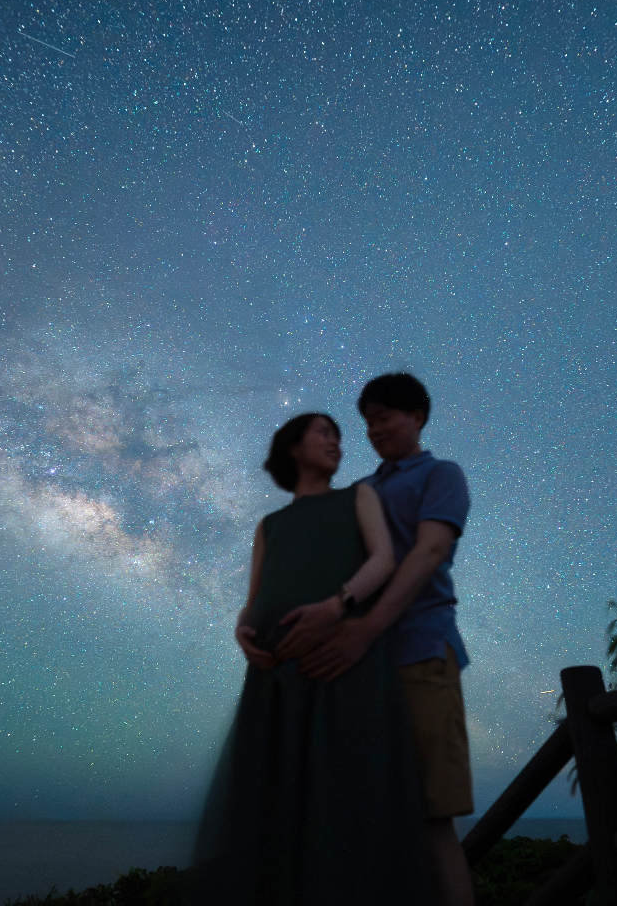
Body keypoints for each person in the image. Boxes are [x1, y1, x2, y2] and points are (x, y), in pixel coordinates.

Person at [193, 412, 433, 906]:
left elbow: (384, 559)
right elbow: (255, 593)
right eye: (324, 433)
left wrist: (337, 604)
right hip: (274, 679)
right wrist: (242, 629)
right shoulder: (270, 525)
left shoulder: (357, 497)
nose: (337, 444)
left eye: (339, 437)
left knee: (346, 798)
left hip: (340, 666)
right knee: (276, 808)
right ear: (293, 447)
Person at [278, 374, 476, 906]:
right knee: (363, 815)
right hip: (354, 668)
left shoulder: (441, 475)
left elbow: (428, 553)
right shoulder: (357, 492)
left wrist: (364, 628)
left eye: (385, 416)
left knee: (432, 816)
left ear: (418, 417)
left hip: (417, 652)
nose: (374, 429)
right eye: (367, 420)